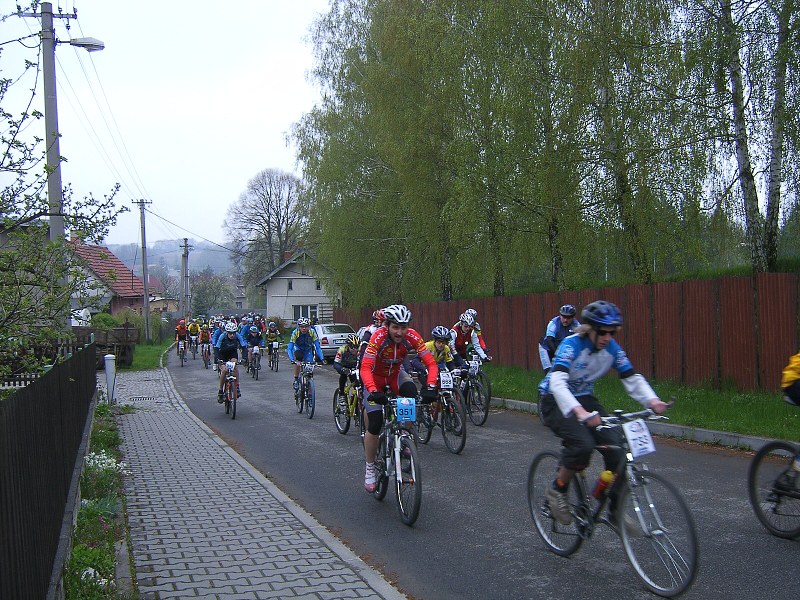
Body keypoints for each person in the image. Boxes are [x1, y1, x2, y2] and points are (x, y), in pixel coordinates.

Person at [537, 300, 669, 529]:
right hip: (554, 399)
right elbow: (558, 382)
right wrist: (579, 412)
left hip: (585, 398)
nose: (608, 337)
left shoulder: (611, 349)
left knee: (618, 450)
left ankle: (613, 510)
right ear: (590, 329)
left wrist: (653, 400)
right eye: (603, 332)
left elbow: (631, 377)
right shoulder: (571, 345)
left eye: (612, 332)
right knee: (583, 445)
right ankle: (557, 489)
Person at [360, 304, 439, 493]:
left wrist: (431, 386)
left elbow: (431, 364)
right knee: (376, 422)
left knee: (411, 392)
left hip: (396, 375)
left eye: (403, 327)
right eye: (395, 327)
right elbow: (364, 367)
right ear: (386, 325)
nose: (399, 332)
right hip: (375, 378)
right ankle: (370, 467)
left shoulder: (412, 336)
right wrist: (373, 390)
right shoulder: (377, 337)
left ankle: (404, 433)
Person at [538, 304, 581, 374]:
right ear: (560, 315)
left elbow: (580, 341)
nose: (565, 320)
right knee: (549, 373)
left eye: (569, 317)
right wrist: (559, 355)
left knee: (564, 372)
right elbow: (549, 341)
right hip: (546, 348)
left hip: (561, 348)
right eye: (563, 317)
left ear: (573, 317)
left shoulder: (576, 325)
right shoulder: (553, 323)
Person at [287, 317, 324, 391]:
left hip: (308, 351)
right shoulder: (295, 333)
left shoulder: (312, 332)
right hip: (298, 349)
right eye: (302, 327)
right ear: (299, 327)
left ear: (309, 326)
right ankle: (296, 379)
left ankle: (309, 389)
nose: (304, 328)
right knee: (298, 359)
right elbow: (289, 348)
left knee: (310, 368)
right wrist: (292, 359)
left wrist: (322, 358)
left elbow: (317, 347)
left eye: (306, 326)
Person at [215, 322, 246, 402]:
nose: (232, 335)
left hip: (232, 353)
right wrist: (218, 360)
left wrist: (244, 358)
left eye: (234, 333)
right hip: (223, 354)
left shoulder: (237, 336)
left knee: (235, 367)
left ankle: (237, 386)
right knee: (225, 370)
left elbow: (243, 346)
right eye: (230, 333)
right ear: (226, 332)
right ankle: (220, 391)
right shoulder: (222, 336)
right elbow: (216, 348)